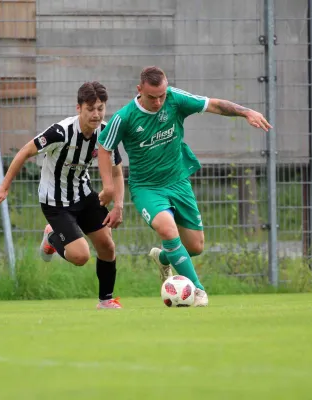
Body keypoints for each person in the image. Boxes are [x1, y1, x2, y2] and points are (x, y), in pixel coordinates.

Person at [96, 66, 272, 307]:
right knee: (168, 231)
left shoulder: (175, 99)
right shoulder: (124, 117)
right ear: (139, 90)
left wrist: (246, 112)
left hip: (178, 182)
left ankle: (164, 257)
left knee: (195, 246)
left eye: (162, 96)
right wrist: (109, 187)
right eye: (152, 97)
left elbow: (213, 104)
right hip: (147, 188)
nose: (158, 102)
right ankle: (197, 291)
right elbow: (104, 147)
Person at [0, 81, 125, 310]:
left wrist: (118, 204)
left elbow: (117, 172)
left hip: (84, 195)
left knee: (107, 246)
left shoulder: (106, 133)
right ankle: (52, 237)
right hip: (55, 202)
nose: (96, 114)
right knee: (80, 256)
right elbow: (25, 152)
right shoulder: (60, 132)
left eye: (100, 108)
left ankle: (106, 300)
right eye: (91, 109)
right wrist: (4, 187)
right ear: (78, 108)